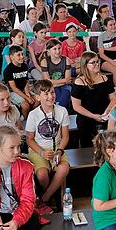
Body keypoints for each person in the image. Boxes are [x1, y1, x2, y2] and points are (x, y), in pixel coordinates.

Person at [24, 80, 70, 213]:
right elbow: (29, 139)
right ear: (38, 97)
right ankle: (52, 197)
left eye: (52, 92)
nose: (51, 96)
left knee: (63, 168)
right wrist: (41, 153)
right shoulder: (33, 115)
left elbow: (65, 136)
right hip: (39, 150)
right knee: (42, 175)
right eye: (46, 94)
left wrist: (60, 151)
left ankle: (44, 199)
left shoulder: (62, 111)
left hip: (57, 150)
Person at [71, 52, 116, 148]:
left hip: (104, 116)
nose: (97, 64)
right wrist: (93, 116)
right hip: (87, 117)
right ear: (85, 65)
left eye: (98, 61)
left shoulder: (104, 79)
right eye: (93, 63)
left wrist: (107, 111)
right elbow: (76, 106)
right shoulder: (79, 82)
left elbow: (114, 98)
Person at [38, 39, 72, 108]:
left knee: (66, 94)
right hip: (51, 86)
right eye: (54, 49)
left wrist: (54, 83)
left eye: (59, 48)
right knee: (56, 98)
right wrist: (64, 80)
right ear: (48, 50)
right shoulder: (44, 61)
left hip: (63, 85)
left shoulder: (66, 60)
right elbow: (47, 81)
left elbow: (68, 80)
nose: (58, 51)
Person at [4, 45, 35, 114]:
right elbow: (13, 88)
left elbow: (26, 81)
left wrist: (27, 93)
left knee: (37, 100)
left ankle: (31, 116)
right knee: (25, 105)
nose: (22, 57)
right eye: (18, 55)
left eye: (22, 54)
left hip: (23, 89)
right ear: (11, 57)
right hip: (12, 92)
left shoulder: (24, 66)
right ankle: (24, 119)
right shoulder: (8, 70)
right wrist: (27, 98)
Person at [97, 17, 116, 86]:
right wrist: (112, 61)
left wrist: (105, 48)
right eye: (110, 25)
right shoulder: (101, 37)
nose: (113, 26)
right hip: (106, 59)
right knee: (115, 70)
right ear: (105, 27)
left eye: (114, 24)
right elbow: (101, 54)